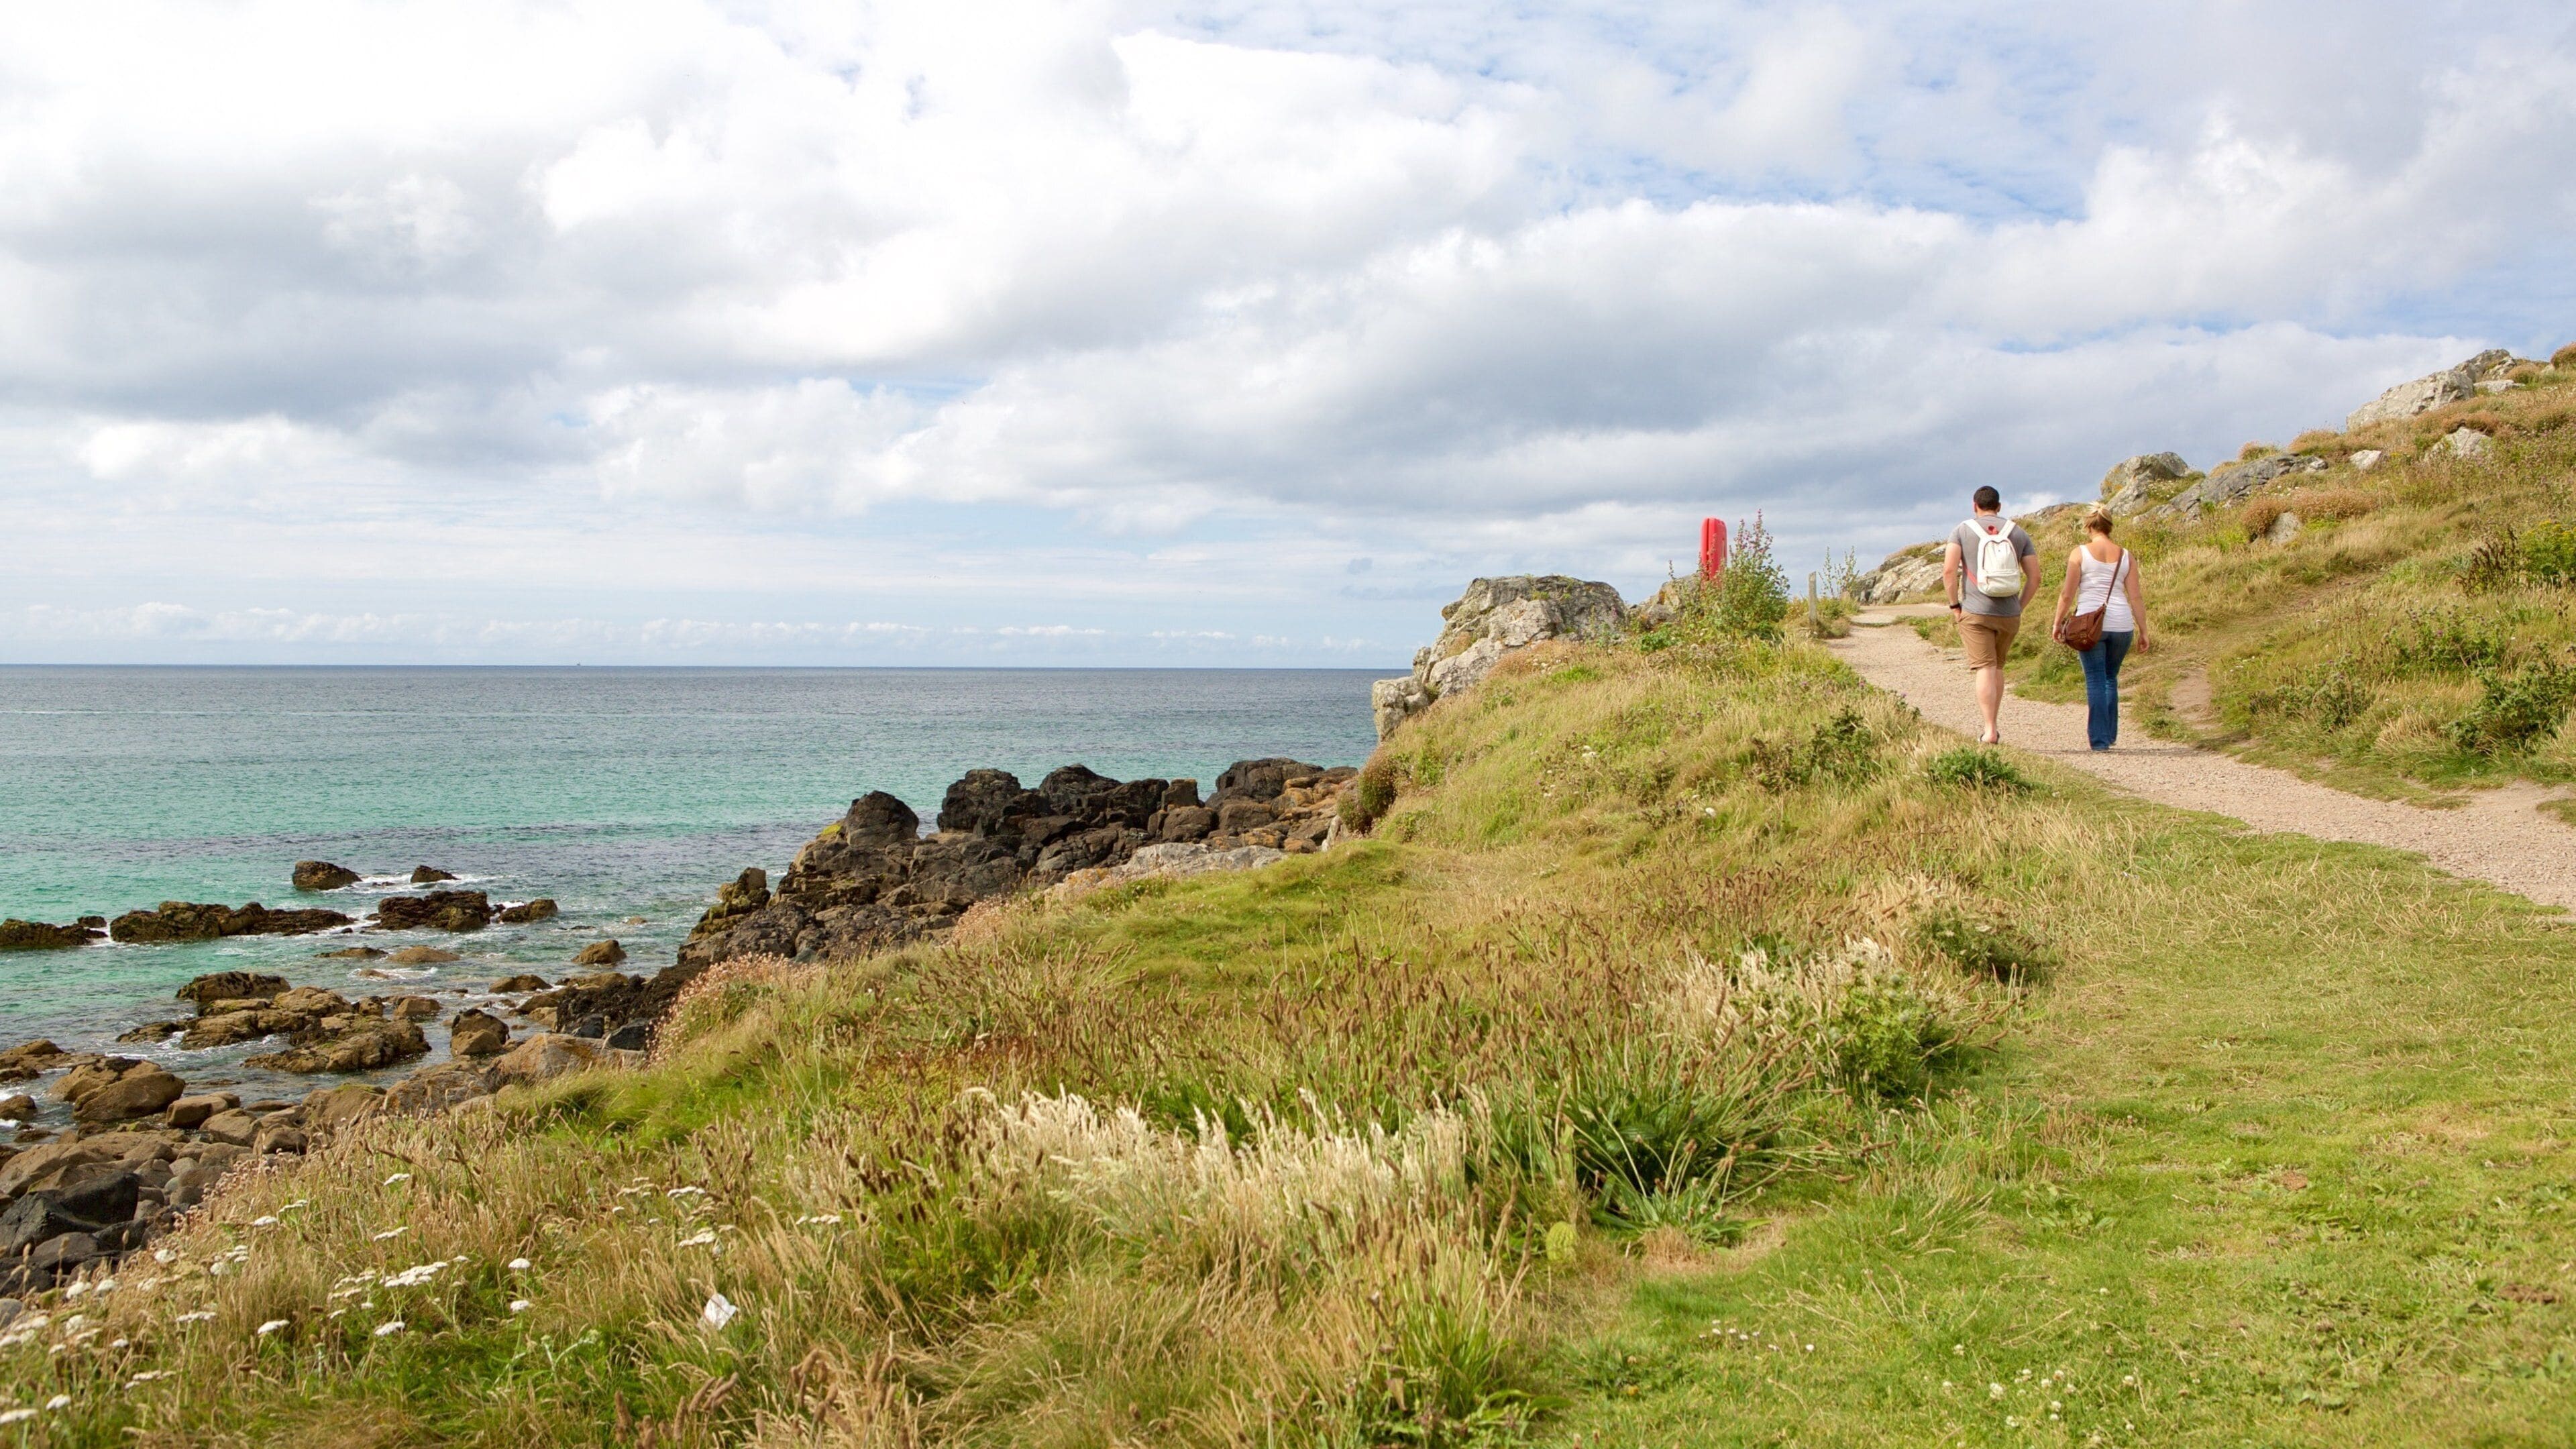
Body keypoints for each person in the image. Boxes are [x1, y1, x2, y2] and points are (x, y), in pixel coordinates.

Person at [1942, 486, 2039, 745]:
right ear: (2000, 506)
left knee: (1985, 667)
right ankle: (1993, 725)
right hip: (2009, 613)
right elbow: (2035, 577)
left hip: (1976, 611)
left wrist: (1955, 606)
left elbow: (1949, 572)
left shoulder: (1962, 531)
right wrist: (2019, 606)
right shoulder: (2018, 532)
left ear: (1975, 505)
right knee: (1997, 666)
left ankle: (1990, 729)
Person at [2048, 508, 2149, 750]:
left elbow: (2067, 593)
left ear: (2089, 526)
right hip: (2122, 624)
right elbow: (2135, 597)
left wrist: (2058, 622)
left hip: (2088, 624)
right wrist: (2144, 631)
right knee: (2110, 678)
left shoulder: (2080, 553)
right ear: (2109, 526)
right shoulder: (2126, 555)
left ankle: (2100, 740)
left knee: (2095, 679)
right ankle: (2110, 735)